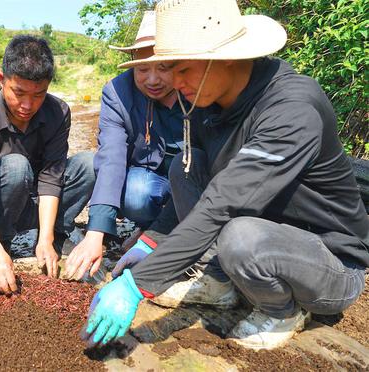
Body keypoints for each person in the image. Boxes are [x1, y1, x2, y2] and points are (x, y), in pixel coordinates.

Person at [83, 0, 368, 350]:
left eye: (182, 69)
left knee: (240, 236)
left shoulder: (291, 109)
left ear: (226, 56)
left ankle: (281, 310)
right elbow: (197, 187)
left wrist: (136, 285)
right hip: (260, 229)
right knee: (185, 165)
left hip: (329, 261)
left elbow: (223, 205)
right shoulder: (206, 101)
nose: (172, 81)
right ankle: (220, 279)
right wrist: (150, 242)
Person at [0, 35, 95, 294]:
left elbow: (51, 178)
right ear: (1, 79)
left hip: (39, 204)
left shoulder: (58, 112)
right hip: (0, 207)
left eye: (38, 95)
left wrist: (45, 237)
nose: (27, 105)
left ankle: (54, 236)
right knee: (16, 166)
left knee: (90, 163)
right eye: (18, 93)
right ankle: (2, 245)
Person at [65, 11, 189, 280]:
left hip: (194, 179)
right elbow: (110, 157)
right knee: (135, 193)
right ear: (132, 63)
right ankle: (149, 227)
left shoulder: (196, 88)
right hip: (151, 178)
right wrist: (96, 233)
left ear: (179, 63)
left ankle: (165, 234)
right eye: (143, 69)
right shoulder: (117, 93)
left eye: (163, 68)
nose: (152, 80)